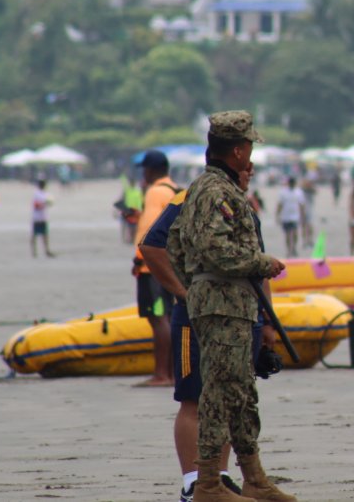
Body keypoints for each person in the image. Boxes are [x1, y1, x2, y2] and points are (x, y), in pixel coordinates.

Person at [166, 111, 294, 502]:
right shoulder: (215, 191)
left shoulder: (206, 189)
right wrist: (260, 263)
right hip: (222, 305)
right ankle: (208, 485)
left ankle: (253, 478)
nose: (251, 155)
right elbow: (213, 248)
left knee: (240, 394)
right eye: (249, 147)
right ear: (238, 150)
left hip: (230, 304)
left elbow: (175, 243)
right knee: (220, 394)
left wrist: (195, 283)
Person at [142, 157, 275, 502]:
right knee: (194, 397)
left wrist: (269, 320)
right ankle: (193, 481)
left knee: (230, 398)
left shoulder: (243, 206)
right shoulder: (190, 198)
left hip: (241, 316)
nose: (251, 172)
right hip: (195, 316)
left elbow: (257, 266)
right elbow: (151, 245)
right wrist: (183, 292)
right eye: (246, 164)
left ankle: (221, 476)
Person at [132, 150, 180, 388]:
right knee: (170, 316)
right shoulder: (175, 190)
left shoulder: (154, 191)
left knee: (157, 317)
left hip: (152, 267)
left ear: (149, 170)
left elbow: (149, 231)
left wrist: (140, 259)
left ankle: (161, 374)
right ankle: (171, 373)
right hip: (171, 264)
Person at [276, 178, 306, 258]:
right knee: (288, 234)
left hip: (295, 217)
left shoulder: (298, 192)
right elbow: (280, 204)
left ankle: (294, 248)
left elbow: (301, 205)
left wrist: (303, 216)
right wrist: (277, 215)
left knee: (295, 234)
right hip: (285, 217)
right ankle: (289, 249)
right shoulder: (283, 192)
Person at [31, 180, 56, 258]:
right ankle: (34, 252)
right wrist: (45, 203)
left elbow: (50, 203)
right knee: (35, 235)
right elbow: (36, 205)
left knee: (45, 235)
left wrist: (48, 203)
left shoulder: (45, 194)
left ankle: (46, 250)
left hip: (43, 217)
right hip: (37, 218)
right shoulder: (36, 194)